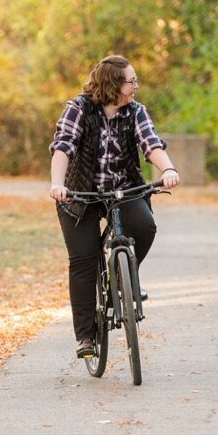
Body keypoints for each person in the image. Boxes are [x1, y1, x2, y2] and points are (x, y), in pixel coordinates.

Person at [50, 55, 181, 359]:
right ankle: (85, 336)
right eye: (131, 81)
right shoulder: (78, 109)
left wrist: (168, 169)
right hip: (79, 195)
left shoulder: (135, 112)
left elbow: (151, 144)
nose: (136, 86)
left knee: (145, 226)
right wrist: (58, 184)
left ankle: (120, 279)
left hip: (123, 190)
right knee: (83, 260)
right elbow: (63, 147)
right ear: (113, 84)